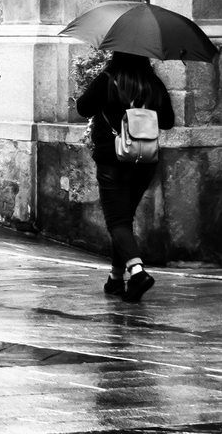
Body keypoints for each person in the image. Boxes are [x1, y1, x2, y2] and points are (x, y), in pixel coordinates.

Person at [76, 51, 176, 302]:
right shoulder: (153, 83)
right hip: (144, 161)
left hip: (113, 159)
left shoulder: (109, 79)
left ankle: (138, 272)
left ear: (117, 53)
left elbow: (83, 107)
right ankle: (115, 279)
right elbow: (167, 121)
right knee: (124, 220)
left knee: (117, 222)